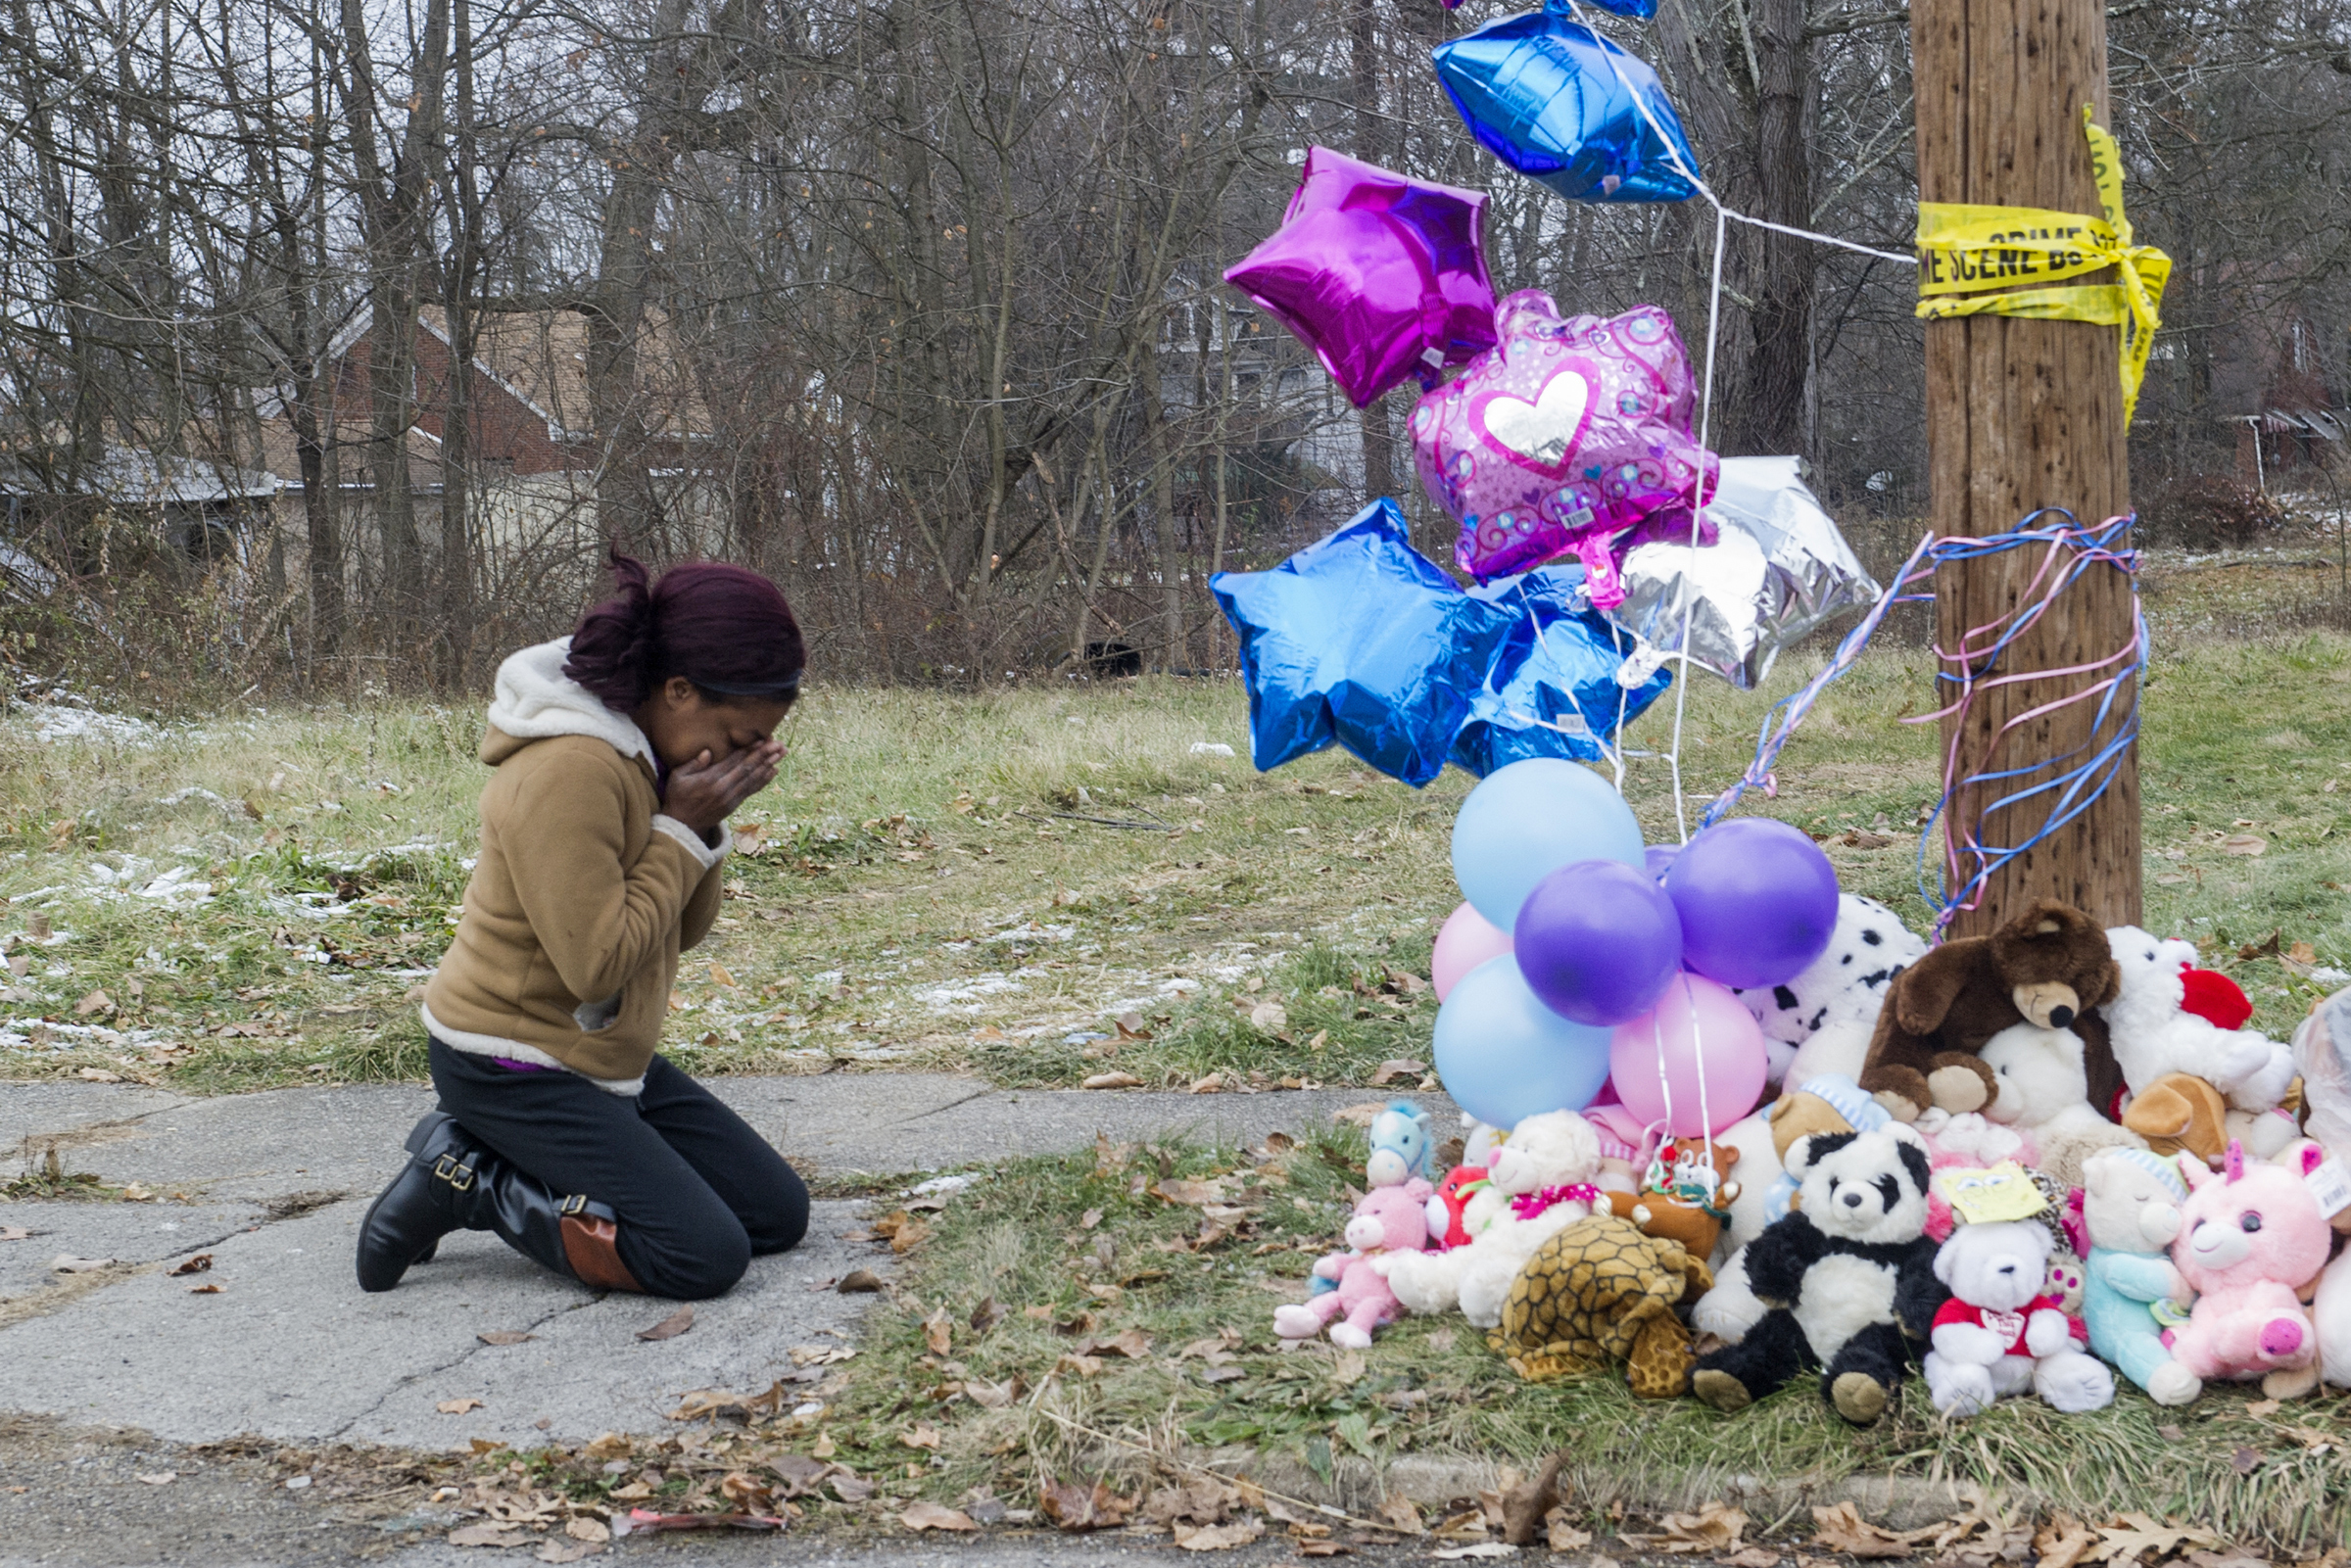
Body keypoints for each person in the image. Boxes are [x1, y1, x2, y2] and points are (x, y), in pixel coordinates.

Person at [355, 555, 810, 1300]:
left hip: (596, 1055)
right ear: (678, 690)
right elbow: (597, 967)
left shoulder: (650, 755)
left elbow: (679, 931)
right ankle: (471, 1178)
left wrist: (698, 826)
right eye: (735, 739)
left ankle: (500, 1158)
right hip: (510, 1061)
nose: (737, 760)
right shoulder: (570, 770)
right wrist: (680, 828)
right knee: (701, 1255)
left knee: (774, 1213)